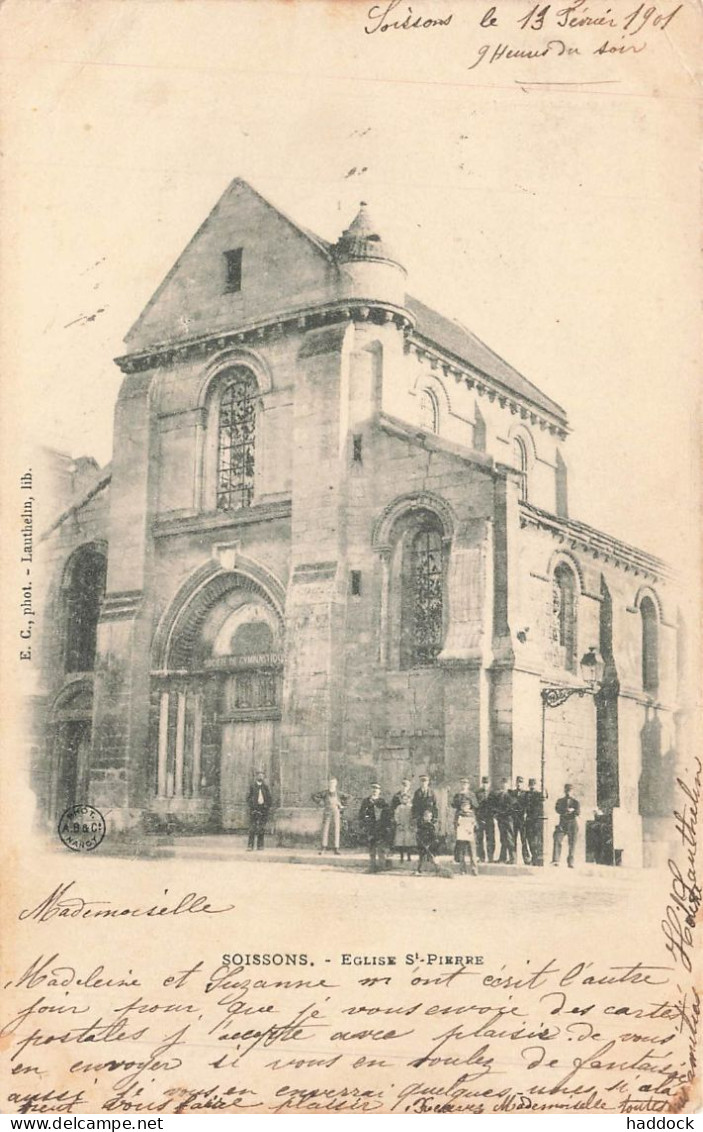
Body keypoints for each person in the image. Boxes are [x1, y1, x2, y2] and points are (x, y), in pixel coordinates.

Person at [359, 784, 392, 872]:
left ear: (379, 791)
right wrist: (365, 824)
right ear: (370, 790)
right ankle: (372, 866)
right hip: (371, 827)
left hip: (380, 827)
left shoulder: (382, 802)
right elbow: (362, 814)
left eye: (377, 789)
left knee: (381, 847)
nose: (375, 790)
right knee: (372, 847)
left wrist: (386, 826)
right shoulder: (366, 801)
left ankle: (382, 866)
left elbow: (387, 814)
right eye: (373, 789)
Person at [312, 777, 347, 855]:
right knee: (325, 829)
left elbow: (349, 797)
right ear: (328, 784)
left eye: (333, 783)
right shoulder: (324, 793)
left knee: (336, 829)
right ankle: (323, 848)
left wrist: (342, 805)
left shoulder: (339, 793)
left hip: (336, 812)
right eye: (330, 783)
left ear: (336, 784)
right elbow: (314, 796)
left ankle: (336, 848)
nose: (332, 784)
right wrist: (320, 802)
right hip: (327, 812)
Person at [552, 783, 580, 868]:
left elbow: (578, 812)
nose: (568, 792)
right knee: (557, 839)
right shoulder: (560, 801)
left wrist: (572, 811)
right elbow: (557, 809)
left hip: (572, 823)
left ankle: (570, 862)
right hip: (563, 823)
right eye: (567, 790)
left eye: (570, 791)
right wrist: (565, 810)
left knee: (572, 843)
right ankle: (556, 860)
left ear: (572, 791)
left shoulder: (576, 802)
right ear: (564, 791)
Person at [390, 778, 416, 862]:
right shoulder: (397, 799)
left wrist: (413, 823)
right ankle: (401, 856)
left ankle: (409, 856)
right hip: (401, 824)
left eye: (407, 785)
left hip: (408, 824)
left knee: (408, 841)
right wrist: (397, 823)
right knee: (400, 841)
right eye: (403, 785)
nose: (405, 787)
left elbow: (413, 814)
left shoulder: (411, 801)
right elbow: (395, 813)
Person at [246, 769, 272, 851]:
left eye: (262, 775)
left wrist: (266, 806)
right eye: (259, 775)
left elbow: (269, 798)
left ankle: (260, 845)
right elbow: (248, 798)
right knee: (252, 828)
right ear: (256, 776)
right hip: (254, 809)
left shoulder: (265, 787)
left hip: (263, 809)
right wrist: (252, 807)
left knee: (261, 828)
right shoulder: (252, 786)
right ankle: (250, 845)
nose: (261, 776)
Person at [454, 800, 479, 876]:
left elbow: (476, 826)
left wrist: (474, 824)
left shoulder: (472, 814)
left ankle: (474, 869)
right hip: (462, 836)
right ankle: (462, 870)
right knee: (462, 853)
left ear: (469, 806)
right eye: (463, 806)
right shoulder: (458, 814)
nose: (465, 807)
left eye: (467, 806)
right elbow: (455, 824)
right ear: (461, 807)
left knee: (473, 853)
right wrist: (457, 824)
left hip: (470, 836)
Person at [509, 776, 531, 864]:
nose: (519, 784)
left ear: (523, 783)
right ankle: (513, 858)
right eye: (518, 782)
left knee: (524, 839)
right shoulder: (511, 793)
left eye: (521, 782)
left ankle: (526, 858)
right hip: (514, 818)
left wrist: (525, 813)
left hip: (522, 819)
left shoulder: (526, 794)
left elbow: (528, 805)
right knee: (512, 839)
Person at [494, 779, 516, 864]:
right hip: (501, 819)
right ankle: (502, 858)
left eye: (505, 784)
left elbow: (512, 807)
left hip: (508, 819)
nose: (503, 785)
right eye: (502, 784)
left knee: (509, 838)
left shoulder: (511, 794)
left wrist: (501, 812)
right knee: (502, 838)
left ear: (509, 785)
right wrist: (496, 813)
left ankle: (513, 858)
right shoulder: (499, 795)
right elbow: (495, 805)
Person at [524, 778, 545, 866]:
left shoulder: (538, 794)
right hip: (528, 819)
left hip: (536, 820)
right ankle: (533, 856)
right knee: (529, 839)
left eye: (533, 784)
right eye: (530, 784)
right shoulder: (526, 794)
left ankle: (537, 858)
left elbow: (544, 799)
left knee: (537, 839)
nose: (532, 786)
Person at [475, 776, 494, 863]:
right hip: (480, 818)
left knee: (490, 838)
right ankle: (481, 857)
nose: (485, 785)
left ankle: (490, 857)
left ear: (489, 784)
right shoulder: (478, 793)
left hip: (490, 818)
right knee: (479, 838)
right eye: (484, 783)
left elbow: (495, 806)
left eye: (487, 783)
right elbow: (475, 806)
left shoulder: (493, 793)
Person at [415, 808, 439, 875]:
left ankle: (437, 869)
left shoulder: (431, 826)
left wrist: (430, 843)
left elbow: (433, 836)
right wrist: (419, 840)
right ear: (423, 817)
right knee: (421, 857)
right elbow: (418, 834)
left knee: (432, 857)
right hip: (422, 844)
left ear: (431, 817)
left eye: (429, 816)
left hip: (429, 844)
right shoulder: (421, 825)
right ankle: (419, 869)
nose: (427, 818)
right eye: (426, 816)